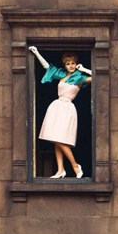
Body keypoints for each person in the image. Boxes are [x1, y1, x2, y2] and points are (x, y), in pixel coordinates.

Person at [30, 47, 91, 178]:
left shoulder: (80, 77)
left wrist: (84, 69)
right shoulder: (62, 75)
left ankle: (75, 165)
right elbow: (47, 67)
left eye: (73, 63)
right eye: (68, 63)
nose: (71, 66)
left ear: (76, 64)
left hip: (67, 108)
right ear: (65, 65)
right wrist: (36, 53)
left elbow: (98, 76)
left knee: (60, 138)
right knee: (55, 138)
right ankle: (60, 170)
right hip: (57, 106)